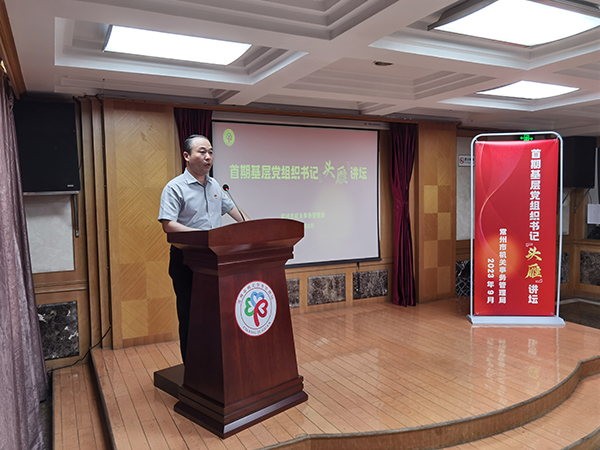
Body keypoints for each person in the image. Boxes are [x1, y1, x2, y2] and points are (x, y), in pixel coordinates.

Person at [158, 134, 248, 363]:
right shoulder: (174, 187)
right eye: (202, 151)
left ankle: (214, 362)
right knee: (191, 315)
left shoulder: (215, 185)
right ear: (186, 156)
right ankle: (193, 367)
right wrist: (203, 237)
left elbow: (235, 212)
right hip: (187, 259)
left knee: (216, 314)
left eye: (211, 152)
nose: (208, 156)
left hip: (215, 259)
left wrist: (253, 229)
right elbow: (168, 225)